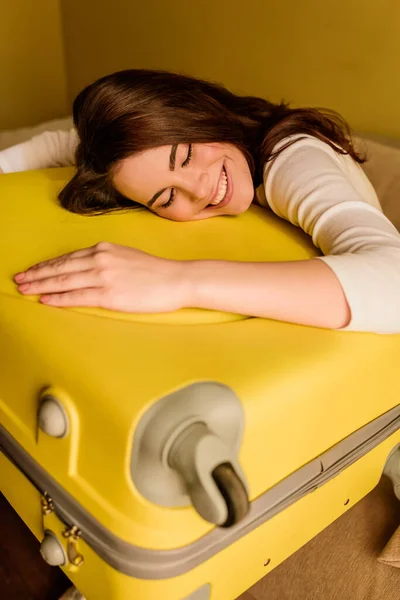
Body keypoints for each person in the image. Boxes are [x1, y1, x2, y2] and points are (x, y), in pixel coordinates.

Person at [1, 69, 400, 334]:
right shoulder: (141, 163)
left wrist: (177, 280)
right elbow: (62, 141)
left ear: (200, 114)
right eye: (167, 196)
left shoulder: (291, 158)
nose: (199, 189)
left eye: (187, 157)